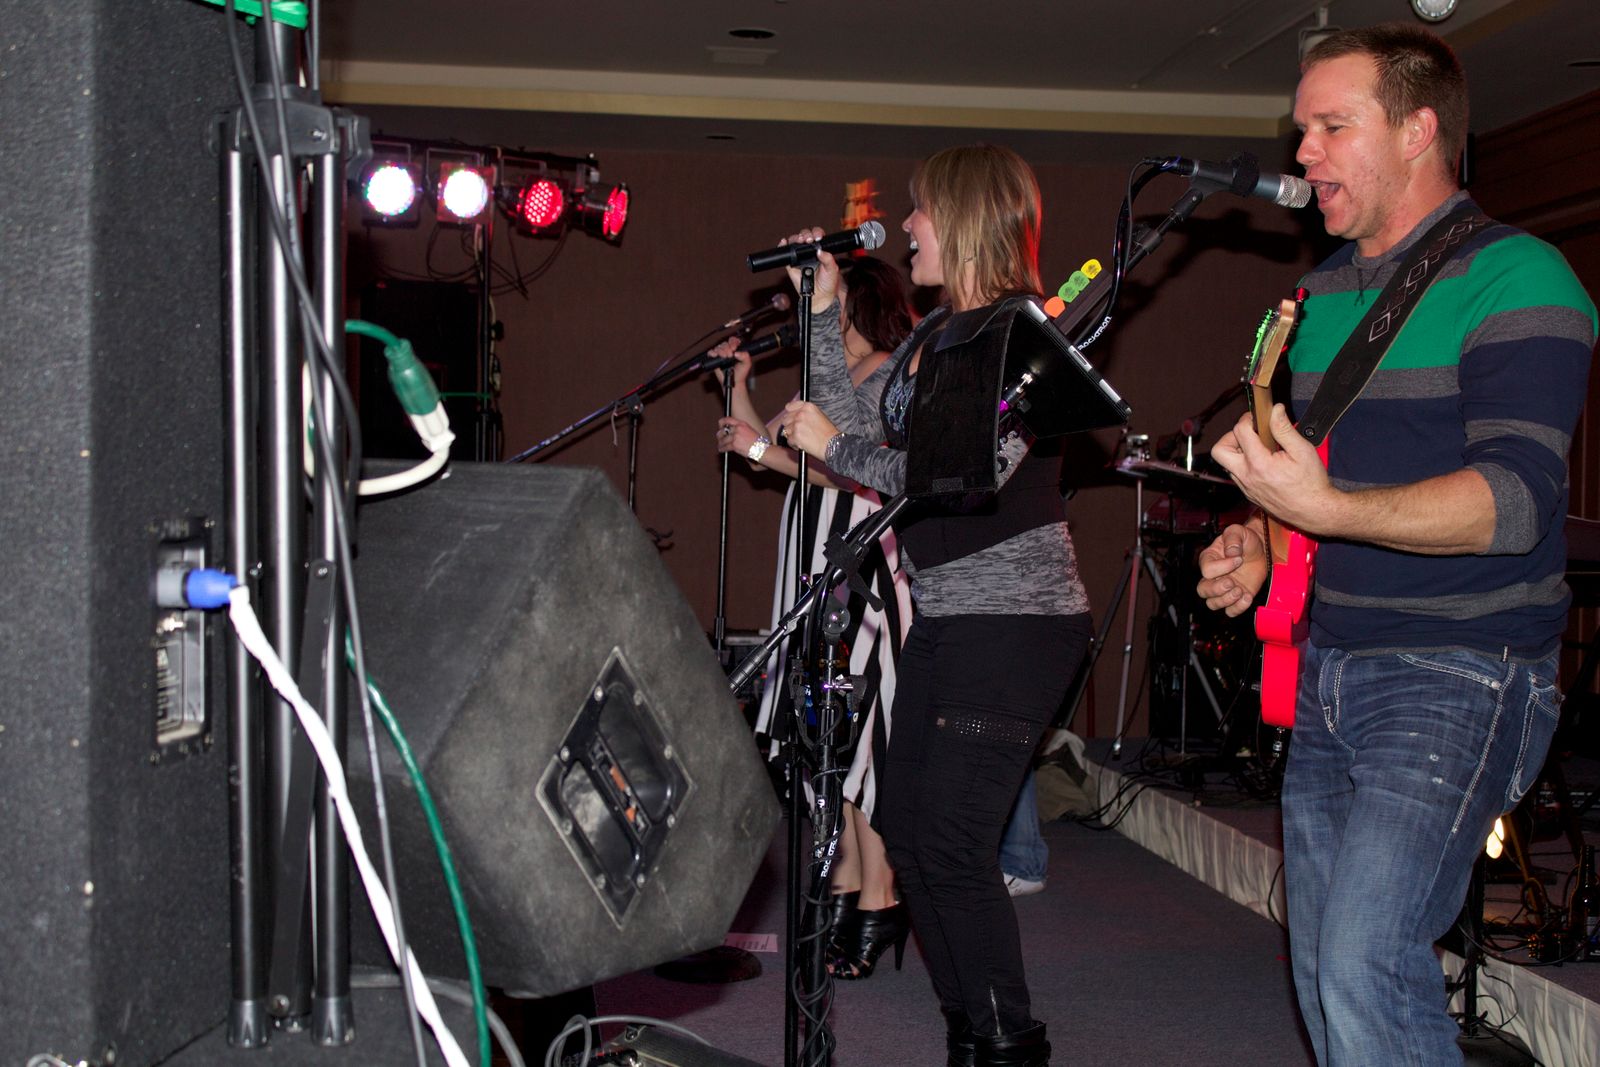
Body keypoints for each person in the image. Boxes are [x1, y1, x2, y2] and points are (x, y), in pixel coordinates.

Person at [1196, 24, 1596, 1067]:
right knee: (1325, 972)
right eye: (1302, 130)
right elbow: (1323, 485)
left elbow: (1514, 502)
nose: (1302, 154)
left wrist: (1326, 510)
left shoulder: (1520, 276)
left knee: (1365, 958)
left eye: (1332, 127)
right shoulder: (1322, 293)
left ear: (1419, 131)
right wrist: (1262, 539)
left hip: (1461, 667)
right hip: (1332, 665)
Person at [779, 143, 1092, 1067]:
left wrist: (834, 444)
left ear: (960, 219)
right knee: (912, 836)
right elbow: (856, 428)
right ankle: (973, 1028)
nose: (908, 225)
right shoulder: (932, 336)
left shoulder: (1020, 338)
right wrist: (822, 311)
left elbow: (950, 476)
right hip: (951, 614)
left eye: (921, 210)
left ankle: (1005, 1040)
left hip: (1018, 622)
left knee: (951, 840)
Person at [713, 256, 916, 980]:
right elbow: (763, 447)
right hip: (814, 564)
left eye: (833, 301)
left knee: (859, 733)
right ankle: (849, 879)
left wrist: (761, 448)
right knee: (823, 734)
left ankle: (880, 891)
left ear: (863, 305)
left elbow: (850, 463)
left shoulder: (891, 373)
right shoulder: (829, 378)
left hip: (859, 567)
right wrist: (737, 384)